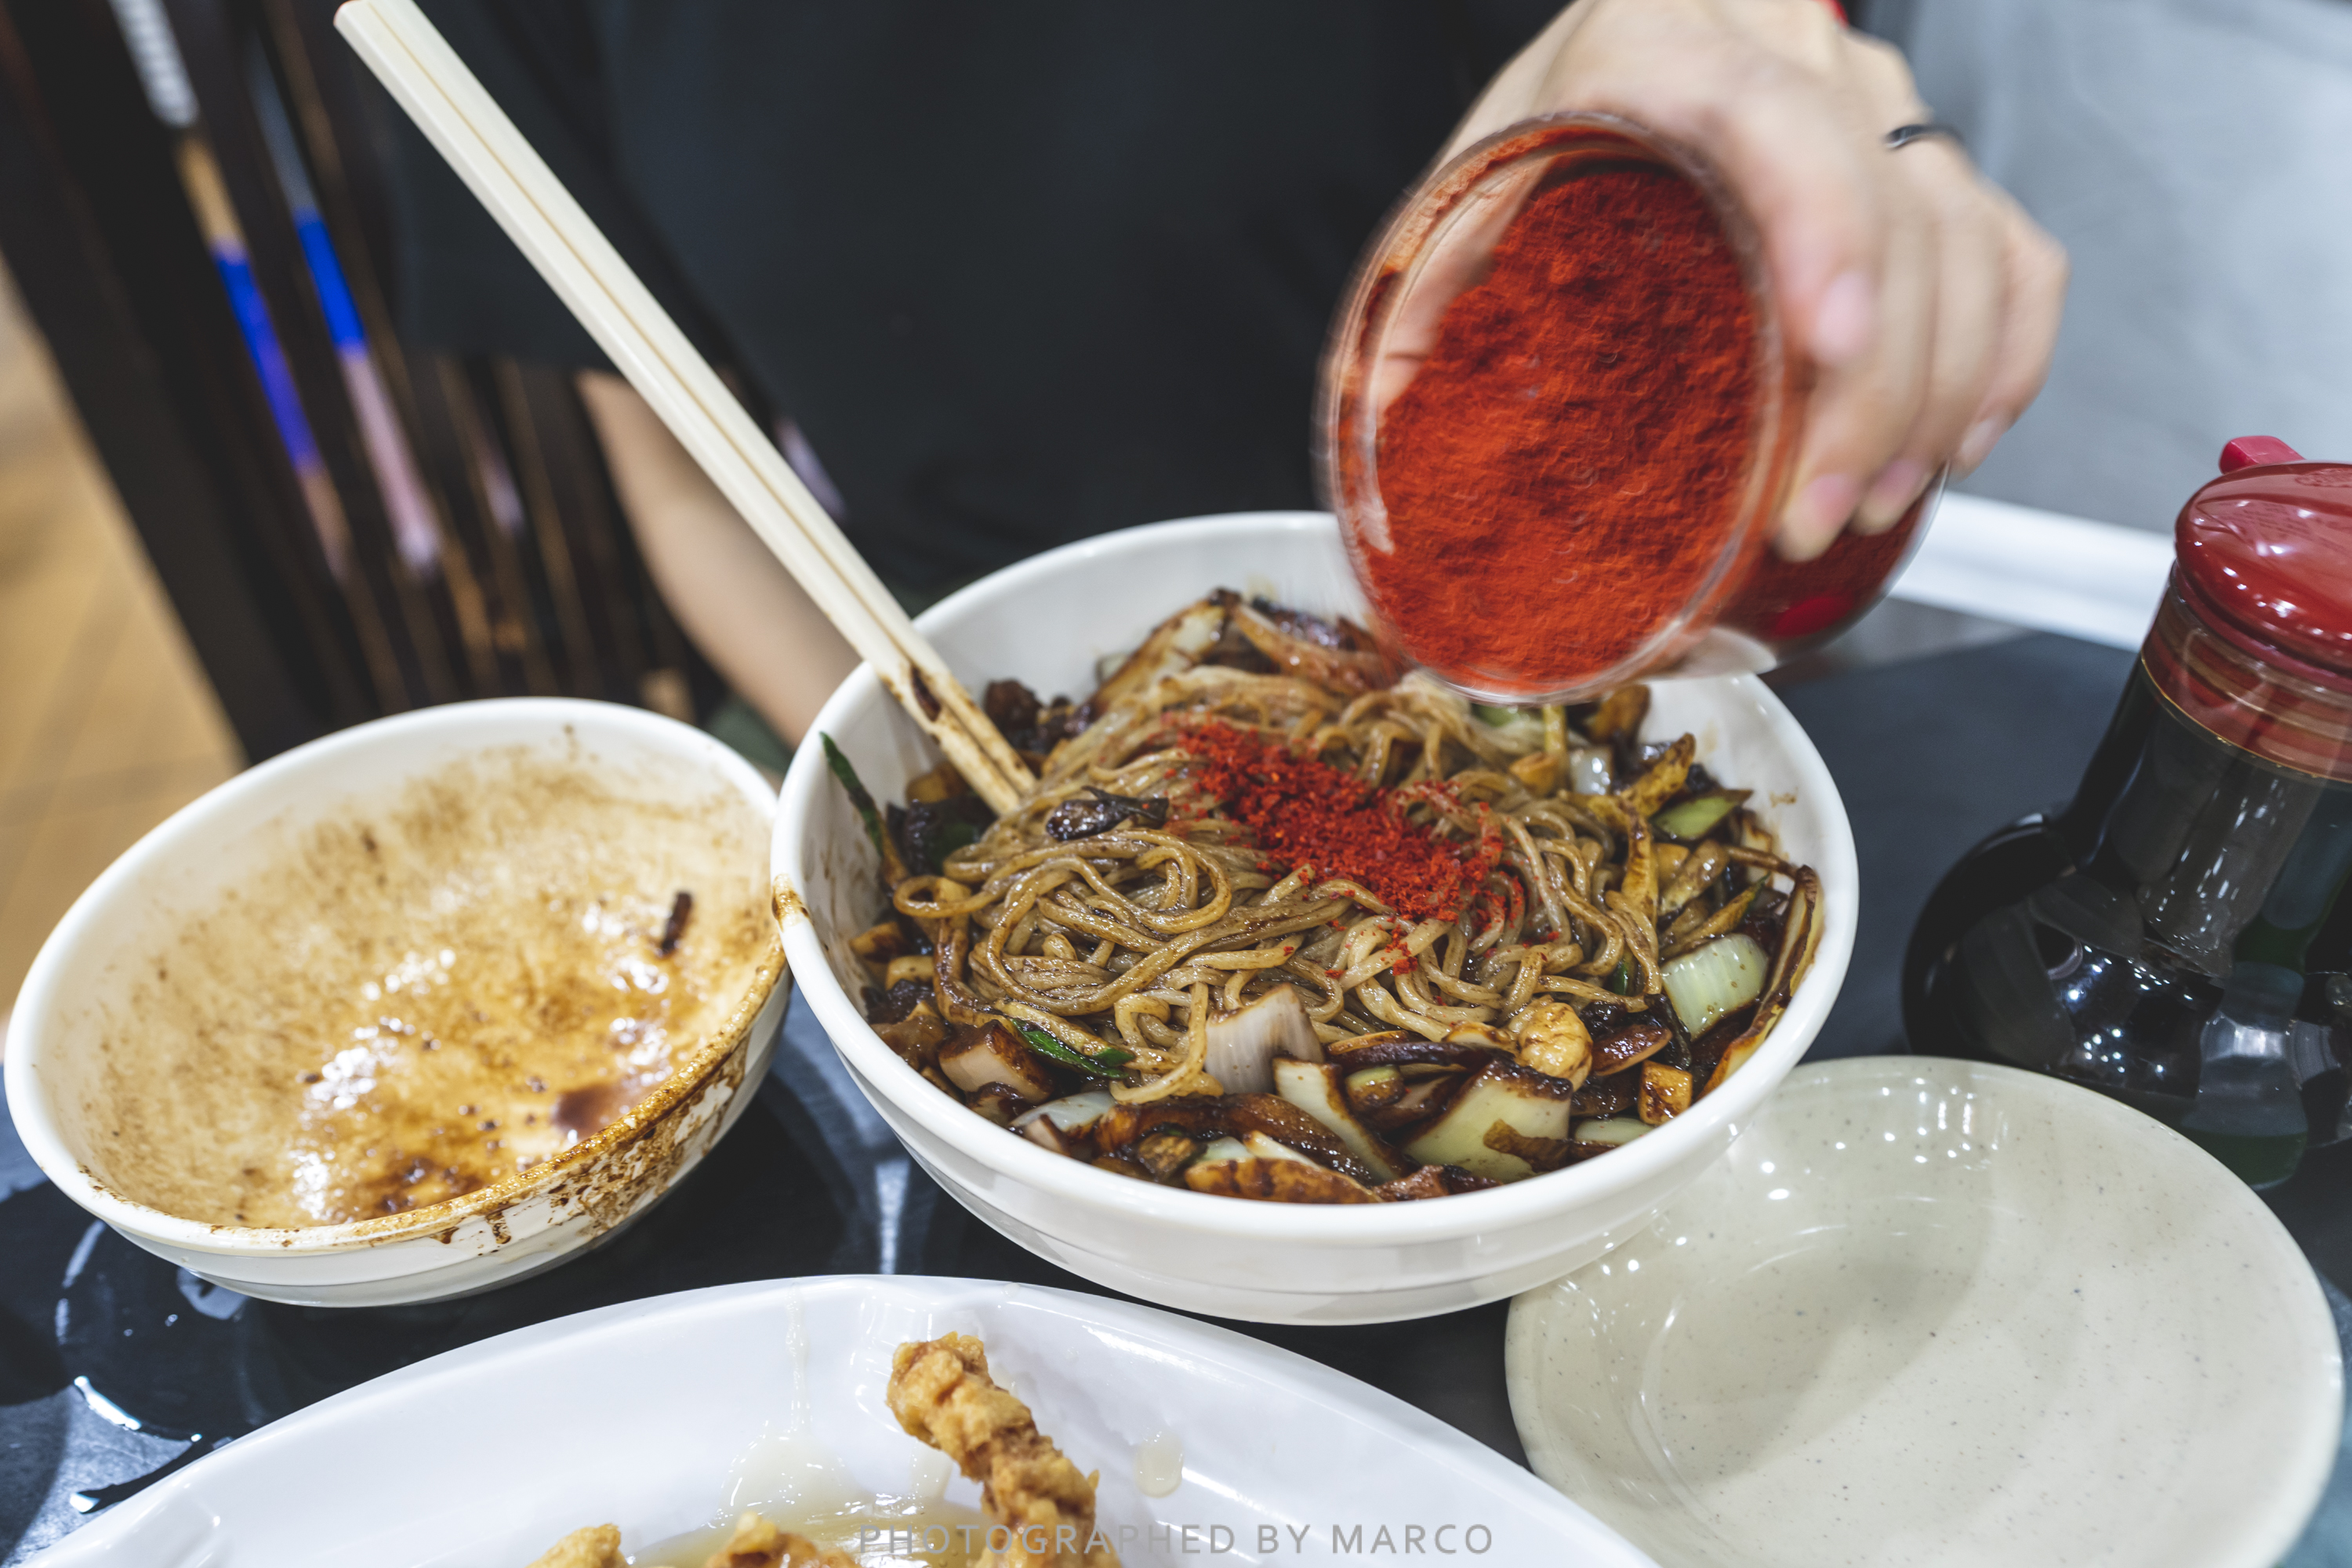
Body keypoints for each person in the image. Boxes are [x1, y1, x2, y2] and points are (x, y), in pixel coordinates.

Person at [388, 0, 2063, 745]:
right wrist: (939, 765)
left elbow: (1689, 44)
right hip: (918, 648)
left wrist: (1759, 49)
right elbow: (689, 478)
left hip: (1569, 665)